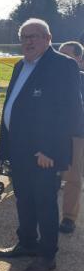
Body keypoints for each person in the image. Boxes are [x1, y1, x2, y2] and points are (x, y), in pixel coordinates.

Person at [0, 19, 81, 271]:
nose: (28, 41)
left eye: (34, 36)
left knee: (44, 203)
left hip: (44, 152)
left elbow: (69, 112)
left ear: (48, 38)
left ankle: (47, 255)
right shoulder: (20, 65)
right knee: (24, 199)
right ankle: (27, 242)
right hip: (19, 147)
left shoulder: (63, 65)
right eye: (24, 37)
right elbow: (14, 105)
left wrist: (51, 150)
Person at [58, 41, 84, 233]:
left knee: (73, 176)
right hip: (52, 134)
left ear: (79, 58)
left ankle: (69, 217)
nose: (63, 60)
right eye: (61, 55)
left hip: (76, 134)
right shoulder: (50, 78)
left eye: (67, 56)